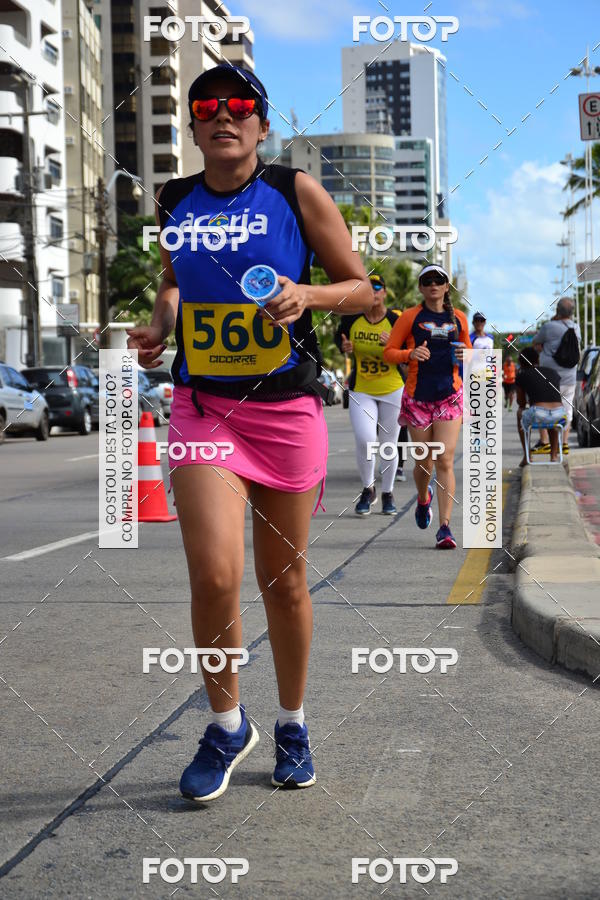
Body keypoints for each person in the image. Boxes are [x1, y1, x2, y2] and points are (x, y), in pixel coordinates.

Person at [126, 64, 372, 801]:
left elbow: (363, 289)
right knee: (214, 575)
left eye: (240, 107)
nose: (223, 116)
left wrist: (310, 293)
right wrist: (162, 321)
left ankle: (291, 722)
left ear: (262, 124)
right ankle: (228, 723)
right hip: (205, 407)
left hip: (287, 411)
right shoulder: (174, 200)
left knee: (285, 582)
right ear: (193, 126)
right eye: (208, 108)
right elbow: (175, 279)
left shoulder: (295, 191)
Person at [383, 264, 471, 549]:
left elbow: (469, 351)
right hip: (417, 398)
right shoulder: (409, 317)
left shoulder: (459, 318)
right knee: (424, 461)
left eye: (439, 280)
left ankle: (445, 527)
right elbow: (389, 353)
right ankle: (423, 499)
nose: (433, 284)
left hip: (450, 395)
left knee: (445, 459)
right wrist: (411, 353)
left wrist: (466, 353)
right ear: (420, 287)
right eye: (427, 280)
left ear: (446, 287)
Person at [335, 273, 406, 515]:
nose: (374, 292)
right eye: (369, 288)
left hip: (392, 388)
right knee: (366, 440)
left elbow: (411, 348)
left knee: (389, 444)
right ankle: (368, 489)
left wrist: (396, 346)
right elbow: (339, 339)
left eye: (378, 287)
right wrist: (343, 348)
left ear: (384, 293)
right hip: (362, 389)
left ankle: (387, 492)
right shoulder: (352, 319)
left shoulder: (396, 320)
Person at [532, 297, 581, 455]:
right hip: (570, 379)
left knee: (545, 409)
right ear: (572, 313)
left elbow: (535, 342)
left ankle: (546, 442)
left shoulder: (549, 327)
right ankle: (564, 443)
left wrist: (543, 349)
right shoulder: (576, 328)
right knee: (566, 411)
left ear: (557, 311)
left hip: (550, 378)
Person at [515, 346, 566, 465]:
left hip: (539, 413)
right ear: (537, 360)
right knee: (551, 421)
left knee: (520, 413)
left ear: (521, 363)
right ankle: (553, 456)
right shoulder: (552, 372)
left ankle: (527, 456)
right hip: (560, 415)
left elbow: (521, 403)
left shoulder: (522, 375)